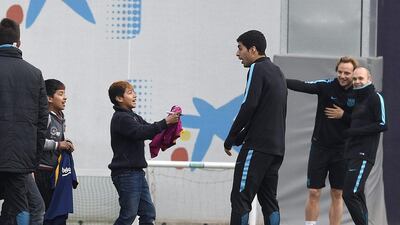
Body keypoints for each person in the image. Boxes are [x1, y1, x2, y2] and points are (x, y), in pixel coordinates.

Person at [224, 30, 287, 225]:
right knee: (269, 202)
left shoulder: (257, 69)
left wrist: (230, 137)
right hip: (275, 148)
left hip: (257, 147)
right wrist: (241, 136)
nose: (237, 54)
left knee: (241, 198)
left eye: (240, 48)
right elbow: (264, 111)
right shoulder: (277, 71)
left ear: (253, 49)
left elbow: (249, 105)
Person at [286, 56, 358, 225]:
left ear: (353, 74)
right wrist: (278, 79)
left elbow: (367, 120)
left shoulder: (359, 92)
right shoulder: (327, 86)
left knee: (337, 193)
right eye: (340, 72)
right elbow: (303, 85)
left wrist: (344, 115)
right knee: (313, 192)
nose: (342, 76)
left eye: (346, 73)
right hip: (320, 147)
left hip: (343, 150)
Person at [108, 81, 180, 225]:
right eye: (130, 92)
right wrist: (165, 122)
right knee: (129, 215)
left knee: (148, 213)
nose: (135, 95)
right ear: (119, 98)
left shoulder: (133, 116)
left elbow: (150, 130)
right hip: (125, 173)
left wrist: (169, 128)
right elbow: (140, 132)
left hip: (136, 173)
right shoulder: (121, 118)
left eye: (134, 91)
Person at [0, 18, 48, 225]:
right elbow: (42, 120)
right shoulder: (35, 74)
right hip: (20, 158)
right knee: (19, 205)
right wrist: (33, 158)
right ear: (18, 43)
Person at [342, 67, 387, 225]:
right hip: (351, 153)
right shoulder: (355, 98)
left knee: (349, 194)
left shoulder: (375, 97)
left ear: (370, 79)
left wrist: (355, 132)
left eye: (360, 78)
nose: (356, 82)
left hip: (363, 153)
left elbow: (382, 124)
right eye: (354, 79)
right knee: (358, 194)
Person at [34, 79, 76, 225]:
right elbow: (36, 142)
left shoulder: (61, 117)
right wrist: (59, 145)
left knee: (59, 213)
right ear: (49, 98)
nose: (65, 97)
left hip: (55, 172)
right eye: (61, 93)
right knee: (46, 213)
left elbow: (58, 140)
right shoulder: (45, 117)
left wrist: (66, 144)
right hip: (42, 172)